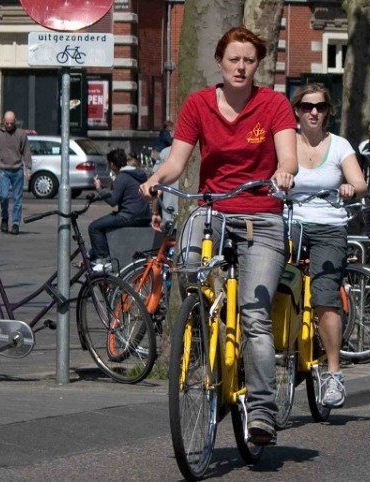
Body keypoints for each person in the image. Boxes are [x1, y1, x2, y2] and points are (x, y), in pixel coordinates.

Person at [139, 26, 298, 446]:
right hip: (213, 211)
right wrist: (156, 178)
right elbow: (177, 161)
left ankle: (262, 409)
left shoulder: (274, 104)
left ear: (257, 65)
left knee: (255, 314)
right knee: (187, 268)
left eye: (249, 60)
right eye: (234, 59)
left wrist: (284, 172)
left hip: (261, 217)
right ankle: (202, 328)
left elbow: (288, 156)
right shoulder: (197, 104)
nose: (241, 67)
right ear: (220, 62)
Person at [289, 83, 368, 408]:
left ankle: (333, 373)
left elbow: (360, 183)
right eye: (307, 106)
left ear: (327, 113)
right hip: (289, 222)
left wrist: (352, 188)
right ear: (297, 110)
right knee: (270, 286)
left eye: (320, 107)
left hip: (328, 226)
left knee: (325, 297)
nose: (313, 112)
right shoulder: (285, 143)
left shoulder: (339, 146)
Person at [87, 149, 152, 272]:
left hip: (129, 216)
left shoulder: (122, 177)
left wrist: (99, 188)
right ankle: (92, 254)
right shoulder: (139, 174)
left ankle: (103, 260)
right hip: (144, 216)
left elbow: (112, 201)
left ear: (112, 164)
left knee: (94, 227)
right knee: (107, 223)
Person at [0, 111, 32, 235]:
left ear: (15, 121)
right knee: (3, 196)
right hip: (3, 169)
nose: (9, 126)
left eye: (11, 123)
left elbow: (26, 152)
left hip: (17, 169)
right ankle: (4, 217)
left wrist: (28, 169)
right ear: (3, 121)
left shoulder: (21, 134)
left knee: (17, 199)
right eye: (7, 123)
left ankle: (15, 223)